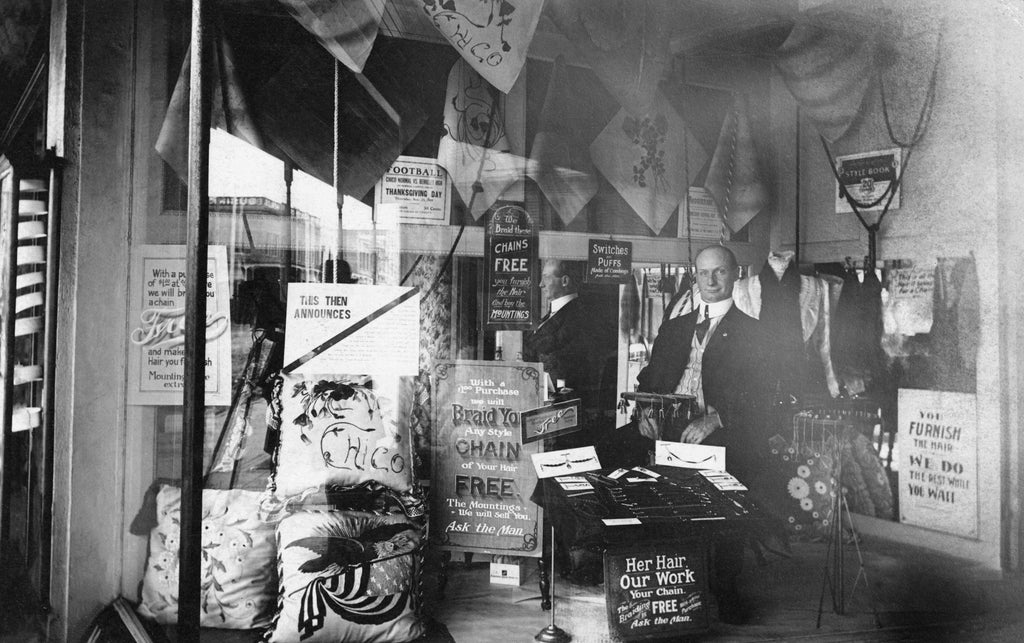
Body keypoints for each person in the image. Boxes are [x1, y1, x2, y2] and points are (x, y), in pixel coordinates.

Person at [635, 244, 768, 624]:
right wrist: (645, 410)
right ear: (694, 276)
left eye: (720, 272)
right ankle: (639, 579)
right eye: (704, 272)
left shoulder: (754, 334)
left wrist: (716, 420)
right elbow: (649, 379)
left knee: (727, 497)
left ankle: (724, 588)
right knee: (605, 456)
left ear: (735, 274)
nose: (711, 280)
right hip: (665, 428)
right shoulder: (675, 327)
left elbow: (763, 397)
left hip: (721, 433)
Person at [523, 259, 615, 452]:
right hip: (548, 415)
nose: (540, 285)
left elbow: (560, 359)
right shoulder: (552, 317)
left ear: (564, 281)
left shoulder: (578, 317)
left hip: (563, 418)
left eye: (546, 278)